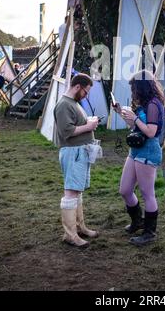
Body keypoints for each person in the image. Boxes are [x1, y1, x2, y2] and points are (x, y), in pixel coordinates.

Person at [113, 70, 165, 247]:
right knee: (125, 190)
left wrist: (135, 118)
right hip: (135, 151)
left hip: (148, 151)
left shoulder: (153, 105)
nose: (133, 91)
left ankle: (149, 232)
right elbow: (135, 126)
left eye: (134, 87)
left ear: (142, 86)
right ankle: (138, 221)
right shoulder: (145, 103)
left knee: (147, 193)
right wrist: (121, 112)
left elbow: (150, 132)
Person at [54, 73, 100, 248]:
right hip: (72, 153)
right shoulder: (64, 105)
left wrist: (88, 121)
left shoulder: (73, 103)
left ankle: (80, 227)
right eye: (86, 92)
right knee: (71, 192)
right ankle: (70, 234)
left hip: (80, 152)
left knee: (77, 190)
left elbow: (75, 123)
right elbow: (67, 131)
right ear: (77, 87)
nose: (86, 96)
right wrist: (88, 126)